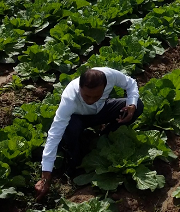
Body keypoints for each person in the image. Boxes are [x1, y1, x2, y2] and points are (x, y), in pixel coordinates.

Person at [34, 67, 144, 200]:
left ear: (105, 86)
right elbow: (54, 134)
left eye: (96, 96)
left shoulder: (110, 75)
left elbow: (131, 83)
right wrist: (45, 176)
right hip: (78, 119)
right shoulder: (69, 98)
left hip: (102, 110)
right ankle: (73, 162)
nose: (91, 100)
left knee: (138, 105)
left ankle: (105, 137)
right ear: (79, 87)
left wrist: (131, 104)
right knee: (71, 128)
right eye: (86, 96)